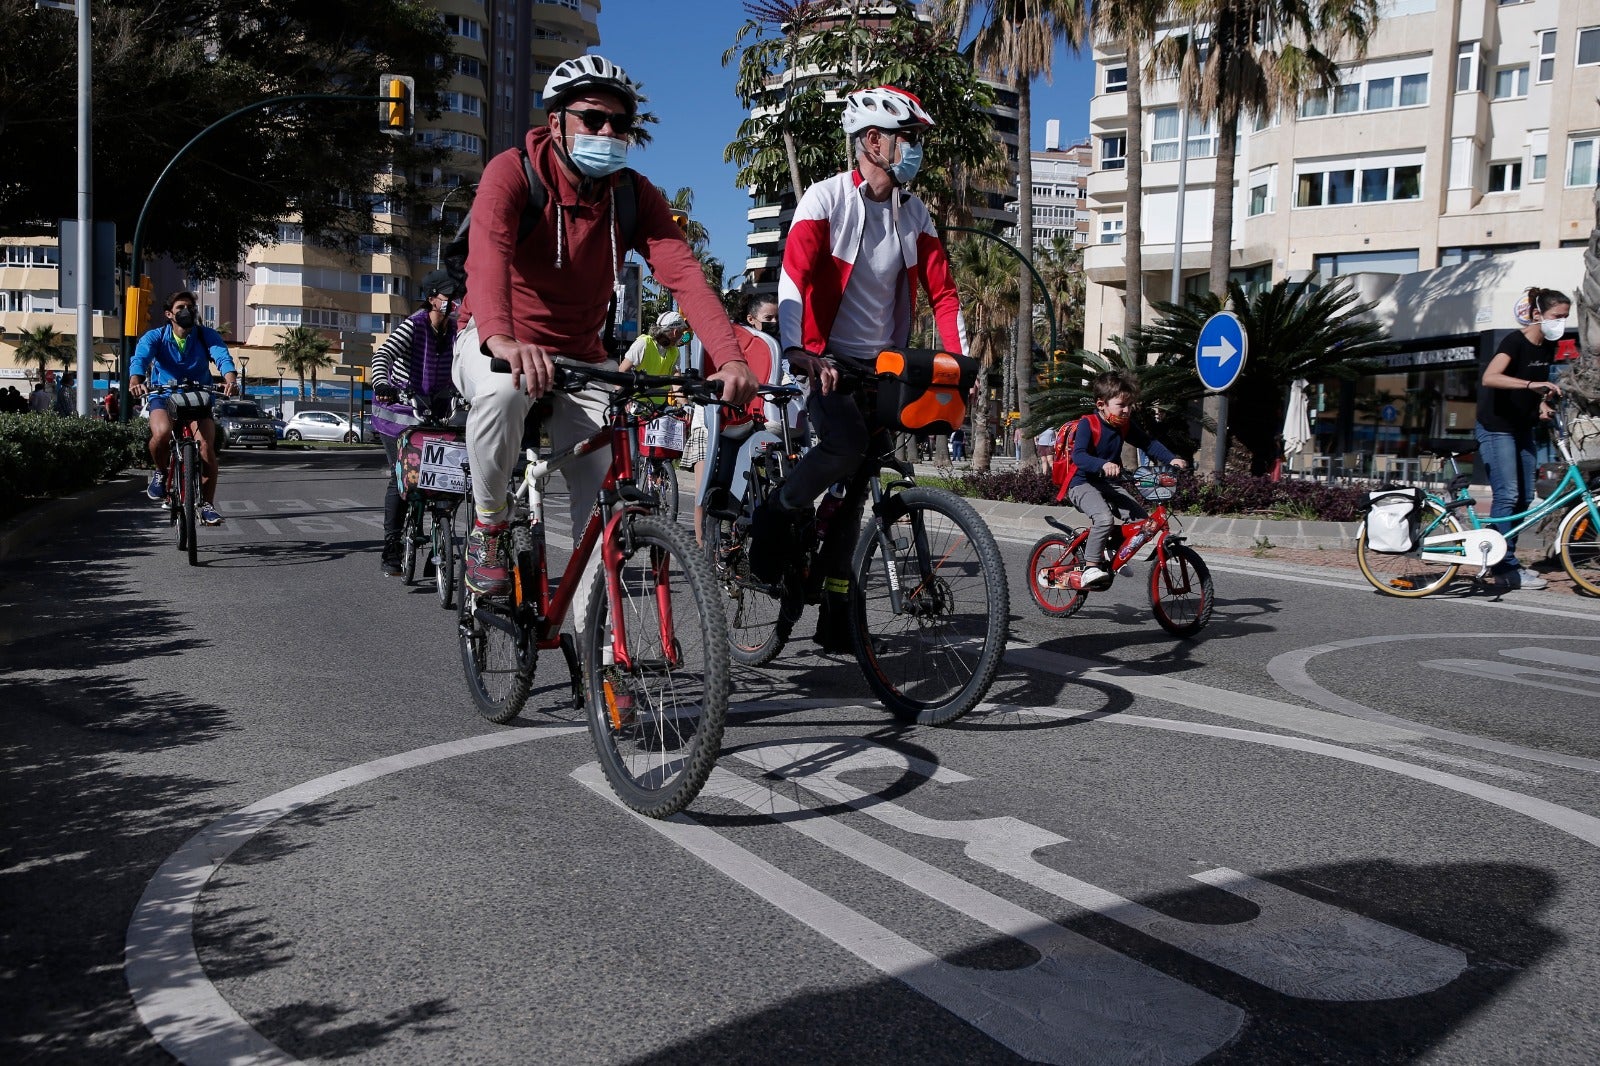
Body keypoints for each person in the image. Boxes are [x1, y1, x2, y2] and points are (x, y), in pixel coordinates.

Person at [451, 53, 756, 603]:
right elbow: (488, 255)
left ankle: (606, 662)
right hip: (497, 339)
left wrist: (731, 357)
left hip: (579, 356)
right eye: (593, 119)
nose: (609, 132)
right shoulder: (512, 172)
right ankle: (490, 528)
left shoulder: (633, 195)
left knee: (606, 500)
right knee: (499, 393)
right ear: (557, 123)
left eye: (620, 124)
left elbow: (684, 275)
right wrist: (501, 337)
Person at [752, 84, 967, 650]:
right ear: (872, 142)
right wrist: (801, 350)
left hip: (884, 367)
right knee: (844, 447)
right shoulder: (825, 200)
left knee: (859, 483)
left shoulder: (915, 212)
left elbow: (944, 295)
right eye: (907, 139)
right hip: (826, 359)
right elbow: (794, 278)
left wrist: (958, 362)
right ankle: (780, 510)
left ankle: (836, 612)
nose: (915, 150)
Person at [1475, 286, 1567, 591]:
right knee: (1507, 495)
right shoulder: (1515, 341)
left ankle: (1501, 556)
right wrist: (1531, 385)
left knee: (1526, 498)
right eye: (1557, 316)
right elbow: (1491, 377)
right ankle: (1503, 567)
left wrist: (1540, 403)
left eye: (1565, 317)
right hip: (1496, 427)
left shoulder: (1546, 347)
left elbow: (1530, 390)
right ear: (1538, 314)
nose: (1561, 323)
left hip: (1521, 427)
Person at [1062, 370, 1188, 591]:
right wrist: (1102, 464)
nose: (1127, 410)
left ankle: (1111, 550)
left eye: (1130, 405)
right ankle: (1091, 566)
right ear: (1101, 404)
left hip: (1108, 482)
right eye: (1121, 405)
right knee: (1103, 518)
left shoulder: (1124, 425)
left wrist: (1172, 458)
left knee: (1142, 521)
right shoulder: (1088, 424)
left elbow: (1148, 443)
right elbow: (1079, 456)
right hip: (1081, 483)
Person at [371, 269, 461, 577]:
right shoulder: (414, 325)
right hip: (397, 414)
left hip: (434, 413)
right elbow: (382, 355)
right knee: (402, 479)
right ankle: (392, 549)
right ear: (432, 298)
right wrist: (382, 383)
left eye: (457, 296)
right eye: (449, 296)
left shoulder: (454, 332)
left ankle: (440, 541)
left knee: (448, 476)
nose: (454, 302)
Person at [130, 290, 237, 524]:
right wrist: (136, 380)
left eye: (190, 307)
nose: (187, 311)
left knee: (207, 449)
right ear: (169, 314)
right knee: (161, 433)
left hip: (198, 396)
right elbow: (140, 359)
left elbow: (222, 357)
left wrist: (230, 379)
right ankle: (161, 472)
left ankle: (207, 504)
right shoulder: (155, 337)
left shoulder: (205, 335)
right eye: (180, 308)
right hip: (164, 395)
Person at [695, 291, 788, 543]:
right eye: (769, 317)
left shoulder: (785, 345)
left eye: (778, 317)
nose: (775, 322)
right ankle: (720, 528)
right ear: (751, 318)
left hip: (779, 420)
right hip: (734, 420)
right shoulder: (741, 346)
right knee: (722, 471)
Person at [619, 310, 688, 376]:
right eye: (681, 332)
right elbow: (622, 371)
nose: (682, 335)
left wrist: (680, 387)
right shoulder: (644, 343)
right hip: (641, 388)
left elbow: (676, 378)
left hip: (662, 389)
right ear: (675, 332)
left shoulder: (675, 352)